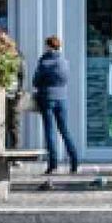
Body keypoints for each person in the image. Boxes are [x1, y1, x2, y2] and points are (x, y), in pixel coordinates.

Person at [31, 35, 80, 174]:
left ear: (48, 46)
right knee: (64, 130)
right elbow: (66, 79)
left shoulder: (44, 62)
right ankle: (74, 161)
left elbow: (35, 81)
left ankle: (53, 164)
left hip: (47, 98)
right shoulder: (64, 62)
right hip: (62, 98)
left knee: (50, 131)